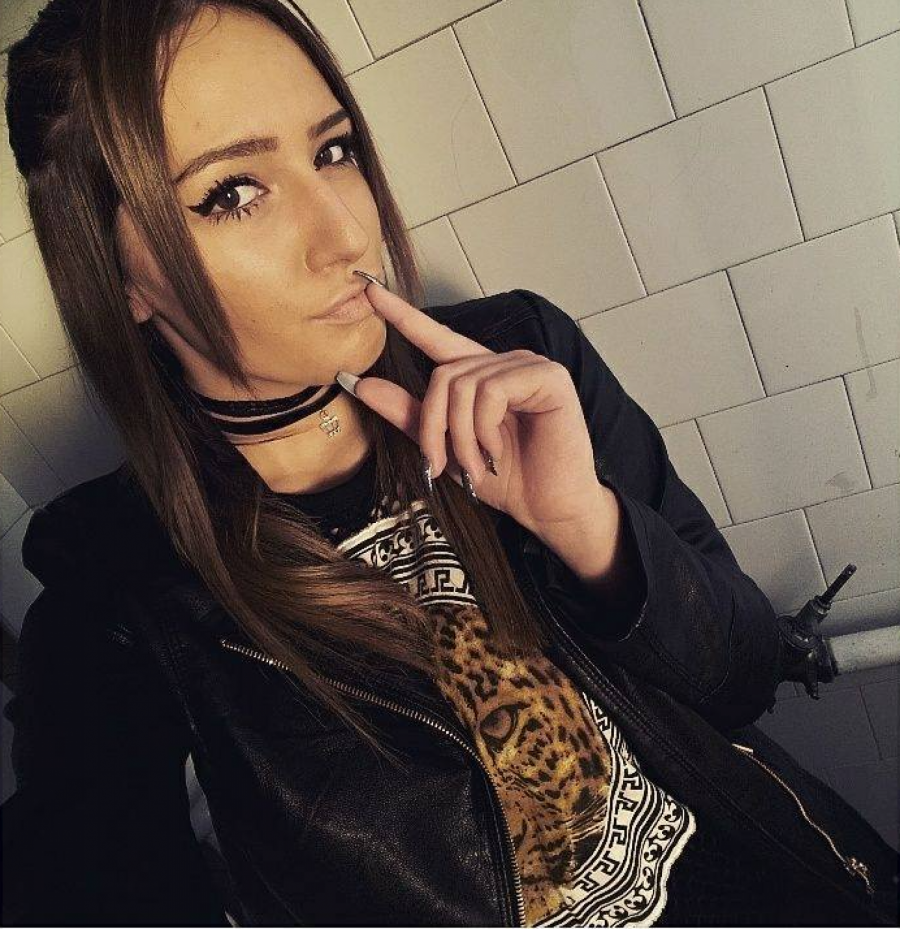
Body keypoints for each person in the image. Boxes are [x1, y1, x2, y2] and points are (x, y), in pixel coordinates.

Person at [2, 1, 897, 925]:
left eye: (334, 150)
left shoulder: (516, 356)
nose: (347, 234)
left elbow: (745, 679)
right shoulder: (118, 601)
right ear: (117, 276)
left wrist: (587, 528)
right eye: (234, 193)